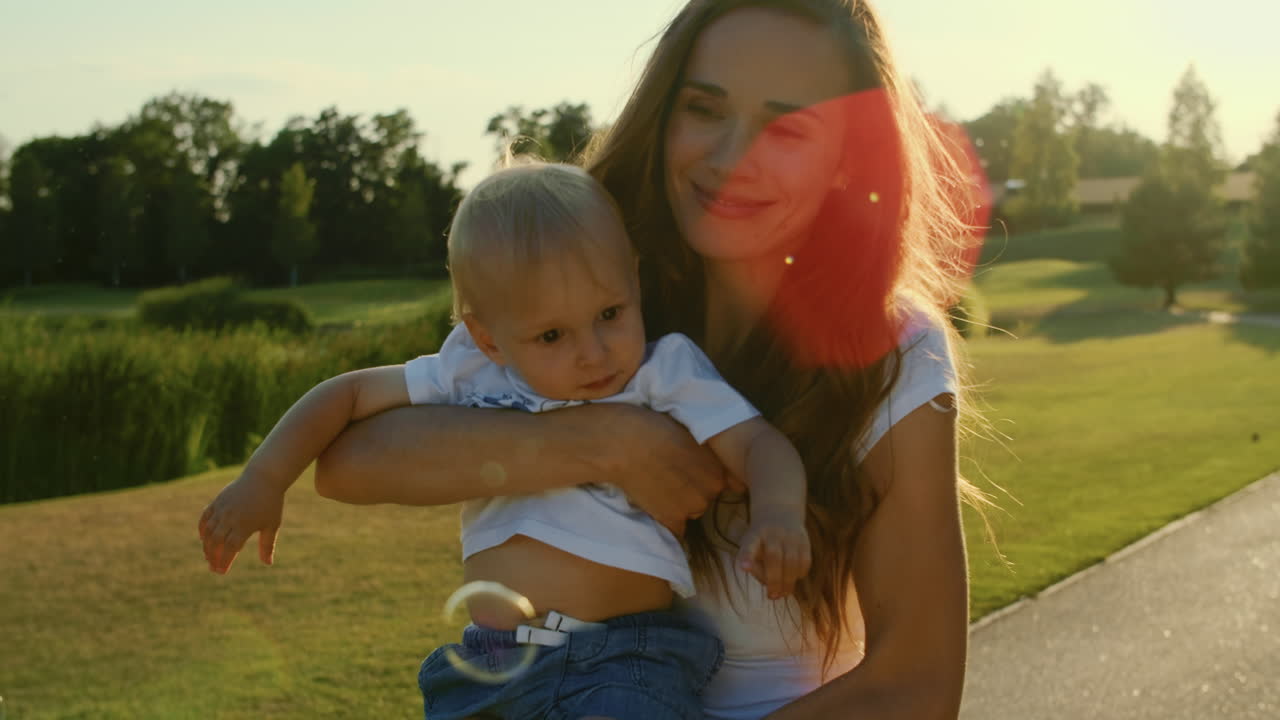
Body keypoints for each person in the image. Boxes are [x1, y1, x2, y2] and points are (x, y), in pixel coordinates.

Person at [203, 0, 991, 717]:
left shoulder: (892, 352)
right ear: (664, 114)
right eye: (704, 108)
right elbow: (349, 462)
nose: (731, 155)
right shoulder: (590, 284)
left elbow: (916, 685)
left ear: (848, 158)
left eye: (786, 129)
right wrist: (604, 442)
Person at [199, 159, 813, 720]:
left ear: (633, 279)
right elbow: (349, 394)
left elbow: (757, 444)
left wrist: (780, 513)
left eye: (610, 314)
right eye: (552, 336)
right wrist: (264, 479)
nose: (594, 353)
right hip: (488, 665)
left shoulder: (664, 371)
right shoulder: (472, 374)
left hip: (622, 662)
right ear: (488, 337)